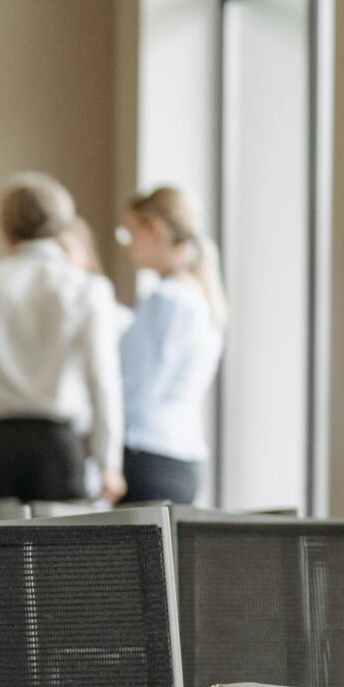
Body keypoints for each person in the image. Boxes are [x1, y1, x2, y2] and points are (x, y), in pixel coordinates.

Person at [0, 173, 126, 503]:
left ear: (4, 224)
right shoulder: (87, 288)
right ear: (63, 224)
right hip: (57, 446)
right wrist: (108, 462)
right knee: (59, 554)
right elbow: (103, 376)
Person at [116, 185, 227, 504]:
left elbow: (137, 389)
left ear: (154, 229)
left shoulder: (169, 299)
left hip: (148, 456)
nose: (127, 246)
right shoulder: (200, 296)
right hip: (182, 456)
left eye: (129, 234)